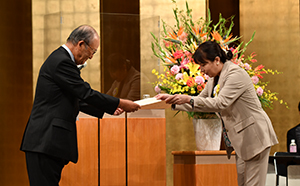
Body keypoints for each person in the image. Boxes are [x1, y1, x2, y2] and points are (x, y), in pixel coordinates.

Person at [20, 25, 141, 186]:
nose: (91, 57)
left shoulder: (61, 59)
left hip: (47, 143)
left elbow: (78, 99)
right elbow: (85, 93)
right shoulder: (61, 61)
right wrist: (120, 102)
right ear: (81, 44)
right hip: (44, 141)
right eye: (93, 51)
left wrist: (109, 109)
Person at [155, 41, 278, 186]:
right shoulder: (214, 78)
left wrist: (188, 98)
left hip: (254, 136)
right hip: (241, 141)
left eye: (203, 65)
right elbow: (199, 102)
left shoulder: (235, 73)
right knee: (243, 183)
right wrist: (172, 101)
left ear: (217, 60)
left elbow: (220, 103)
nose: (201, 70)